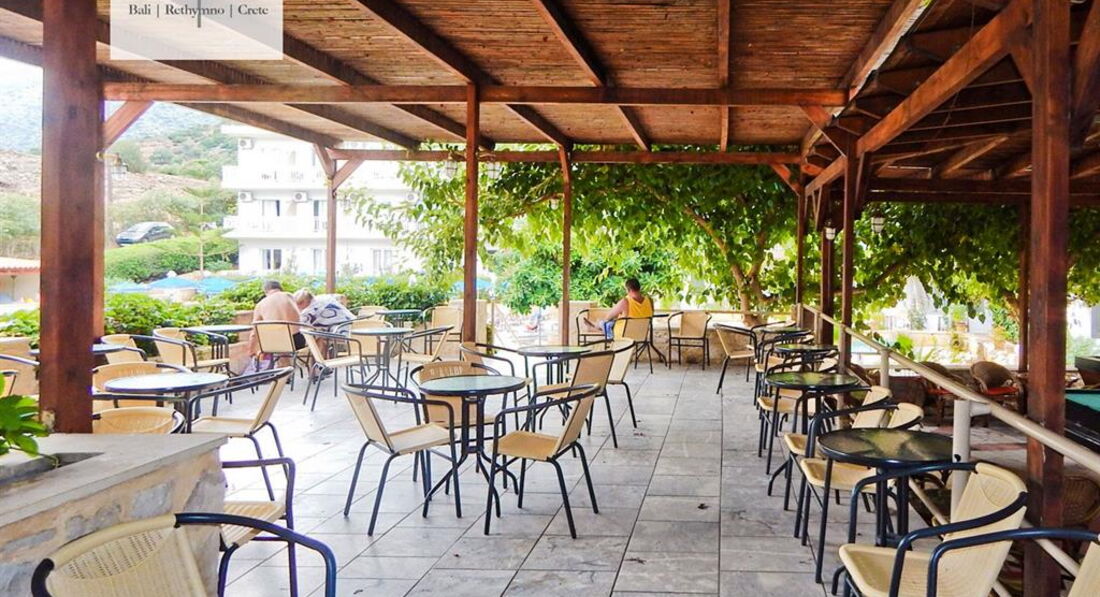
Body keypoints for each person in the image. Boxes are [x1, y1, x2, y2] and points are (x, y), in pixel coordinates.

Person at [247, 280, 304, 356]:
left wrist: (251, 350)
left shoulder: (260, 305)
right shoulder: (290, 296)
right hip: (297, 342)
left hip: (276, 344)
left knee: (270, 346)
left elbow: (255, 332)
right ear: (280, 289)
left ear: (265, 291)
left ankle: (278, 362)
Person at [587, 277, 654, 338]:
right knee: (610, 322)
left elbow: (608, 317)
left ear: (628, 290)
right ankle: (596, 326)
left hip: (624, 335)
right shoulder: (649, 300)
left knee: (606, 323)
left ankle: (596, 326)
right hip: (642, 335)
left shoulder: (625, 301)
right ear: (639, 288)